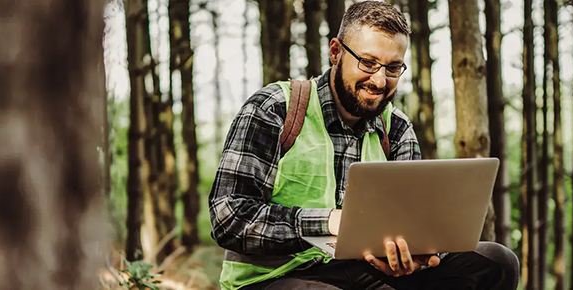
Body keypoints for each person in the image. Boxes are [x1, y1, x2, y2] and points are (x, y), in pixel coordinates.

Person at [208, 1, 520, 289]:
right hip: (277, 277)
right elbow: (228, 218)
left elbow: (410, 225)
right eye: (368, 63)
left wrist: (412, 257)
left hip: (363, 270)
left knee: (496, 262)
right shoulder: (275, 108)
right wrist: (327, 222)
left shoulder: (396, 129)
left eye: (393, 67)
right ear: (335, 52)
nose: (380, 80)